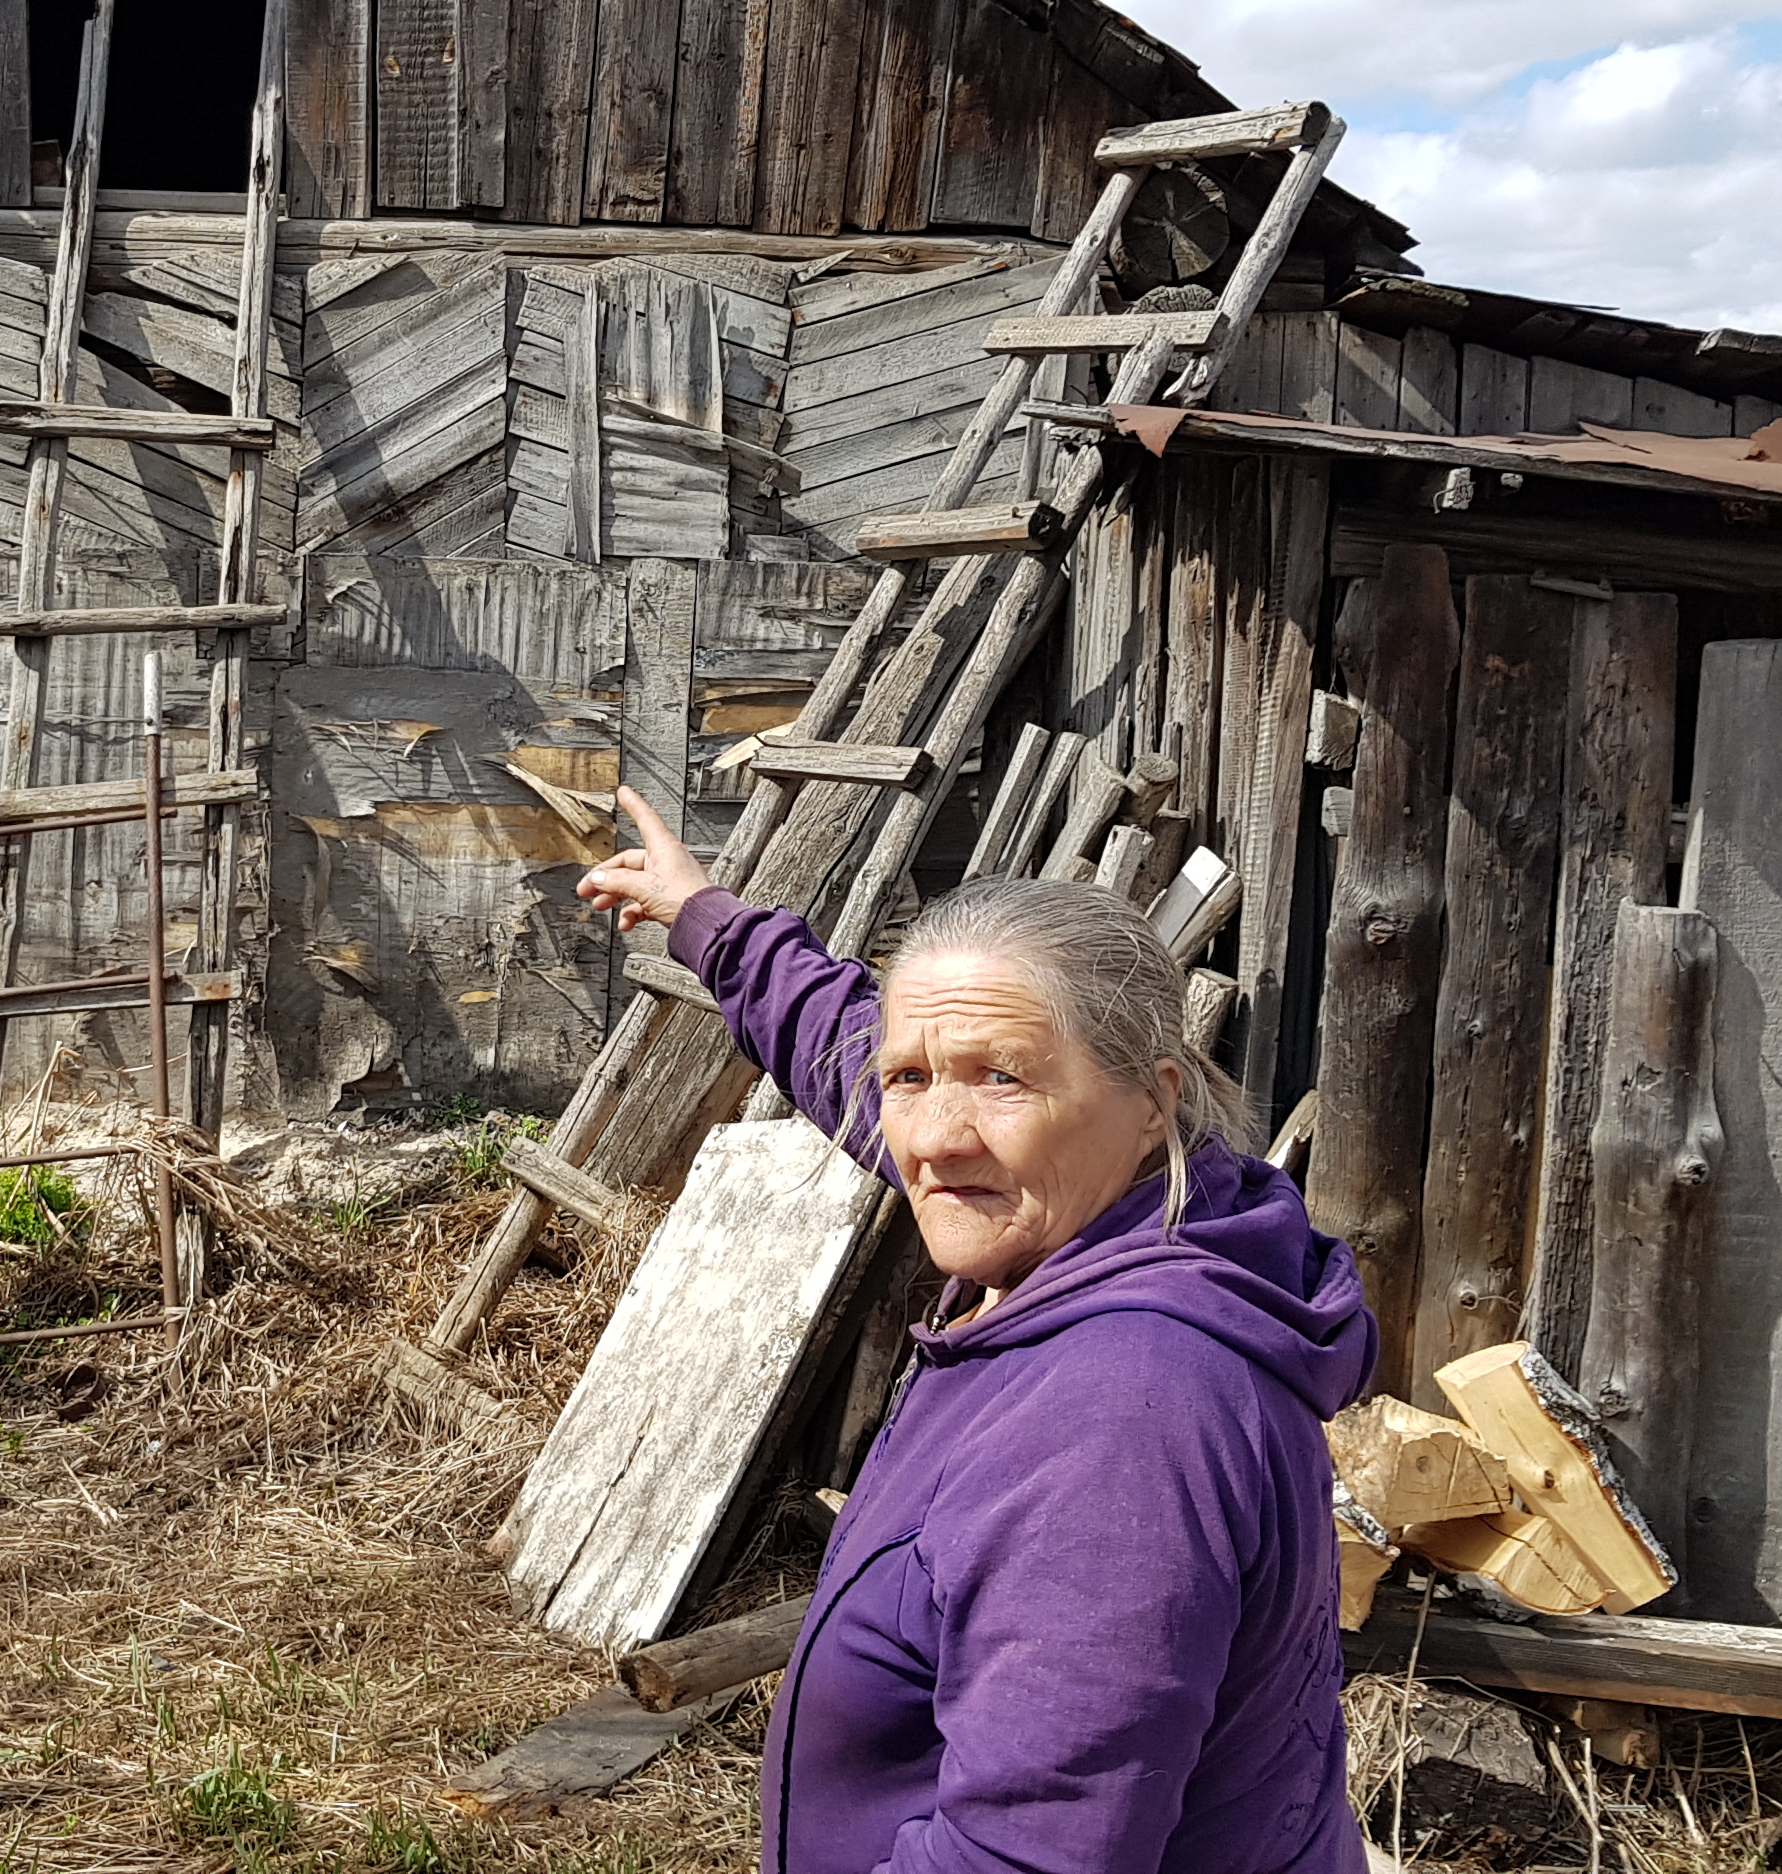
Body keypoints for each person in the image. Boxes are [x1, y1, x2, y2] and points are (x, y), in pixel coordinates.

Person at [575, 785, 1378, 1874]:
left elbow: (1024, 1856)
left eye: (1003, 1077)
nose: (934, 1138)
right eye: (910, 1079)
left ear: (1152, 1099)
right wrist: (702, 916)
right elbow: (851, 1048)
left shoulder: (1121, 1422)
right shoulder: (1127, 1219)